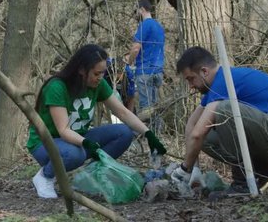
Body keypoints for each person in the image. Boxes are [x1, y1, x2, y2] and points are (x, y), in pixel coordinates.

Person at [26, 44, 166, 199]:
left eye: (103, 73)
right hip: (46, 142)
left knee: (123, 133)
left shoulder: (98, 85)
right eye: (96, 73)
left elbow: (123, 112)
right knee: (75, 154)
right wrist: (86, 143)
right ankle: (45, 176)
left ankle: (88, 175)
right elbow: (63, 130)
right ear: (81, 70)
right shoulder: (57, 87)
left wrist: (149, 134)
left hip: (78, 138)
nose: (100, 77)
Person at [170, 46, 268, 197]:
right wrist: (195, 169)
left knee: (225, 109)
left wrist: (184, 169)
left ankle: (242, 184)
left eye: (191, 79)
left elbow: (197, 134)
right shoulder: (218, 83)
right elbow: (192, 126)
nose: (191, 86)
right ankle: (264, 173)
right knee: (207, 135)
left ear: (204, 71)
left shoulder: (224, 81)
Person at [126, 0, 165, 118]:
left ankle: (145, 134)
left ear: (142, 9)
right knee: (156, 107)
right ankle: (158, 133)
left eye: (136, 10)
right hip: (158, 70)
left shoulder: (145, 25)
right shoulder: (159, 26)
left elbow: (136, 48)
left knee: (146, 109)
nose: (136, 13)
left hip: (144, 70)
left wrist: (129, 61)